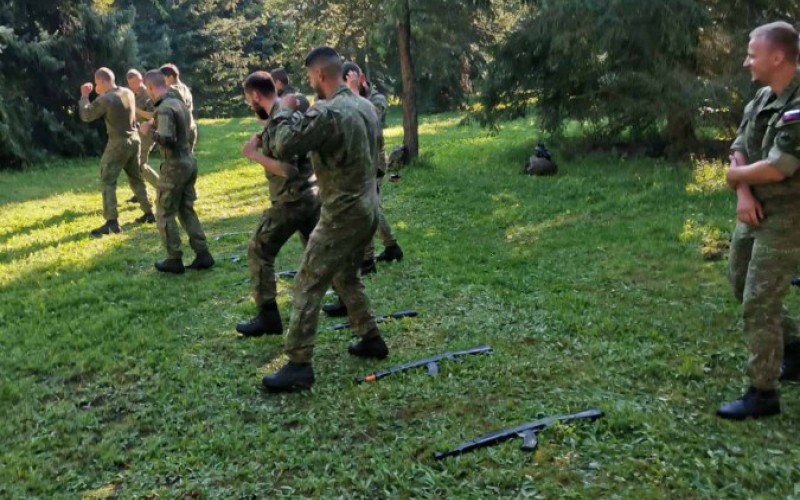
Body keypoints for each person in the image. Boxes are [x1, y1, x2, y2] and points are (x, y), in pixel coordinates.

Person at [261, 47, 388, 392]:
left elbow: (286, 144)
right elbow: (378, 157)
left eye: (310, 78)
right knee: (346, 276)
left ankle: (298, 363)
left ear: (319, 75)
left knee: (307, 281)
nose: (309, 85)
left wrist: (281, 110)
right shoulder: (366, 106)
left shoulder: (328, 113)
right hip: (368, 207)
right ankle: (370, 338)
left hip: (342, 213)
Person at [717, 21, 800, 420]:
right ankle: (796, 349)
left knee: (759, 300)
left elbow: (779, 167)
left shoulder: (798, 104)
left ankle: (762, 393)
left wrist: (736, 178)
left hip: (788, 216)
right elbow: (739, 147)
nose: (746, 60)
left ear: (778, 57)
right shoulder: (763, 98)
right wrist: (743, 191)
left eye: (752, 53)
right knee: (739, 283)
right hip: (754, 210)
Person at [236, 71, 321, 337]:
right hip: (311, 195)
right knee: (320, 257)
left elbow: (289, 169)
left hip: (291, 199)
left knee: (258, 250)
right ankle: (351, 307)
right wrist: (264, 136)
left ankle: (268, 317)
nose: (250, 104)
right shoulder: (286, 114)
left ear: (255, 95)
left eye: (249, 99)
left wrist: (253, 155)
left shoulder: (279, 120)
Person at [322, 61, 405, 318]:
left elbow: (370, 119)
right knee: (371, 205)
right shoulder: (349, 98)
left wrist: (355, 91)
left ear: (360, 77)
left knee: (368, 206)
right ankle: (390, 247)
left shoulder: (376, 98)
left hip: (374, 161)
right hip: (361, 159)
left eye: (353, 77)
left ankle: (370, 258)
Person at [140, 70, 214, 274]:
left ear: (151, 87)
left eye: (147, 89)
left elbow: (167, 139)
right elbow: (190, 132)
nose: (148, 93)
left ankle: (174, 258)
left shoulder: (164, 108)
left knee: (164, 212)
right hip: (189, 160)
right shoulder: (179, 104)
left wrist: (149, 132)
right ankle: (203, 253)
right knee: (185, 209)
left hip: (174, 165)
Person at [78, 67, 155, 236]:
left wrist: (84, 95)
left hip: (118, 142)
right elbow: (113, 105)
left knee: (107, 179)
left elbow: (86, 115)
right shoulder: (127, 92)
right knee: (136, 178)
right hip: (134, 140)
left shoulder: (106, 99)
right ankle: (149, 213)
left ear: (103, 82)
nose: (97, 86)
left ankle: (111, 222)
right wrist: (100, 93)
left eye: (98, 83)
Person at [125, 69, 160, 191]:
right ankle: (140, 193)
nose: (133, 85)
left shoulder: (149, 94)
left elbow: (153, 115)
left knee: (141, 164)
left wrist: (135, 109)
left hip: (148, 133)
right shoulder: (132, 94)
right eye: (130, 83)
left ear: (141, 80)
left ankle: (162, 189)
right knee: (133, 164)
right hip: (137, 133)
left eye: (135, 82)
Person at [159, 64, 198, 152]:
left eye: (162, 78)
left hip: (181, 132)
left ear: (171, 77)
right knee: (188, 160)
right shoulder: (185, 88)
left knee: (176, 162)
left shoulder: (172, 90)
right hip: (191, 127)